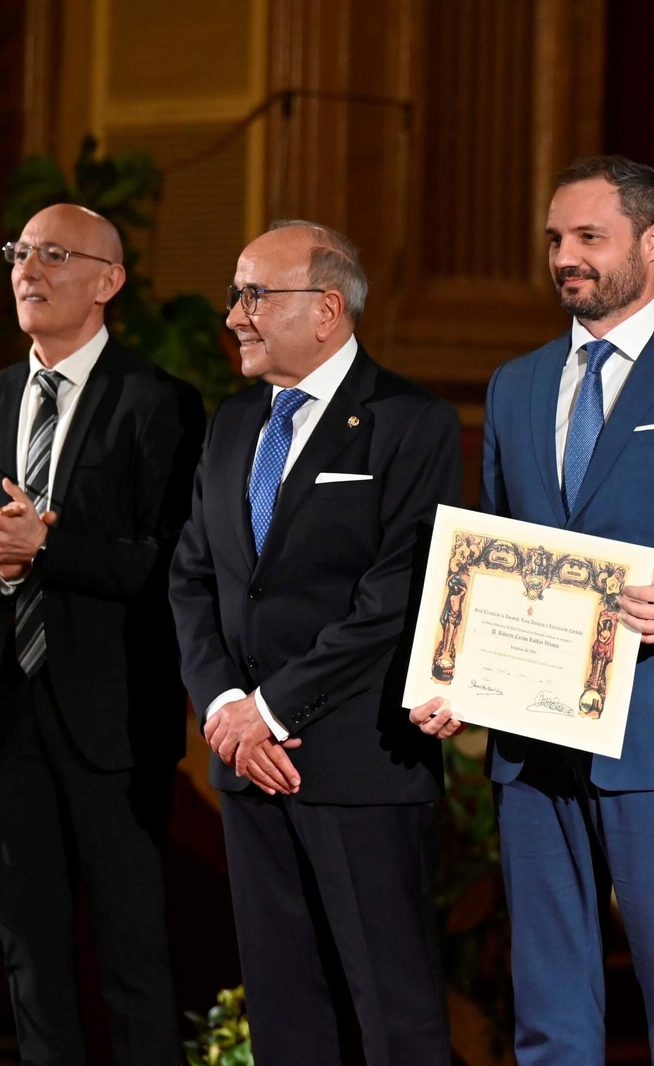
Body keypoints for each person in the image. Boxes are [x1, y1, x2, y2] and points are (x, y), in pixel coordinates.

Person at [411, 156, 654, 1065]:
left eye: (588, 238)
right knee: (548, 1012)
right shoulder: (517, 384)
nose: (565, 258)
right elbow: (495, 554)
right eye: (554, 240)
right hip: (531, 742)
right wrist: (456, 675)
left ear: (653, 242)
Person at [169, 220, 460, 1064]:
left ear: (327, 308)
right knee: (287, 1017)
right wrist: (226, 706)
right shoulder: (231, 423)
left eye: (255, 294)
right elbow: (195, 577)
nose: (235, 317)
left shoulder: (412, 422)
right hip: (249, 768)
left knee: (392, 1016)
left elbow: (393, 596)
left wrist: (270, 708)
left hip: (358, 765)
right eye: (236, 295)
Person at [0, 203, 203, 1065]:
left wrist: (48, 547)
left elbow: (170, 564)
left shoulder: (159, 403)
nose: (26, 270)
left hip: (114, 716)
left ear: (107, 282)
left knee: (132, 954)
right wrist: (3, 567)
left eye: (53, 254)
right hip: (10, 712)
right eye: (19, 252)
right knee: (30, 954)